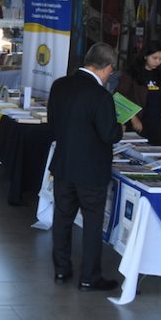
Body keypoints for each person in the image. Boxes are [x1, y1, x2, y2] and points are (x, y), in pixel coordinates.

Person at [48, 43, 123, 292]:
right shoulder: (101, 96)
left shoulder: (60, 85)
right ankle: (89, 277)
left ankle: (61, 269)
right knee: (92, 223)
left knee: (62, 218)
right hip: (91, 171)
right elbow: (109, 134)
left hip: (64, 164)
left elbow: (53, 124)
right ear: (107, 68)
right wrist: (120, 128)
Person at [115, 41, 161, 146]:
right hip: (139, 119)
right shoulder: (132, 73)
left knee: (155, 148)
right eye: (154, 58)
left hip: (157, 122)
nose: (157, 62)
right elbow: (119, 96)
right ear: (145, 56)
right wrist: (133, 118)